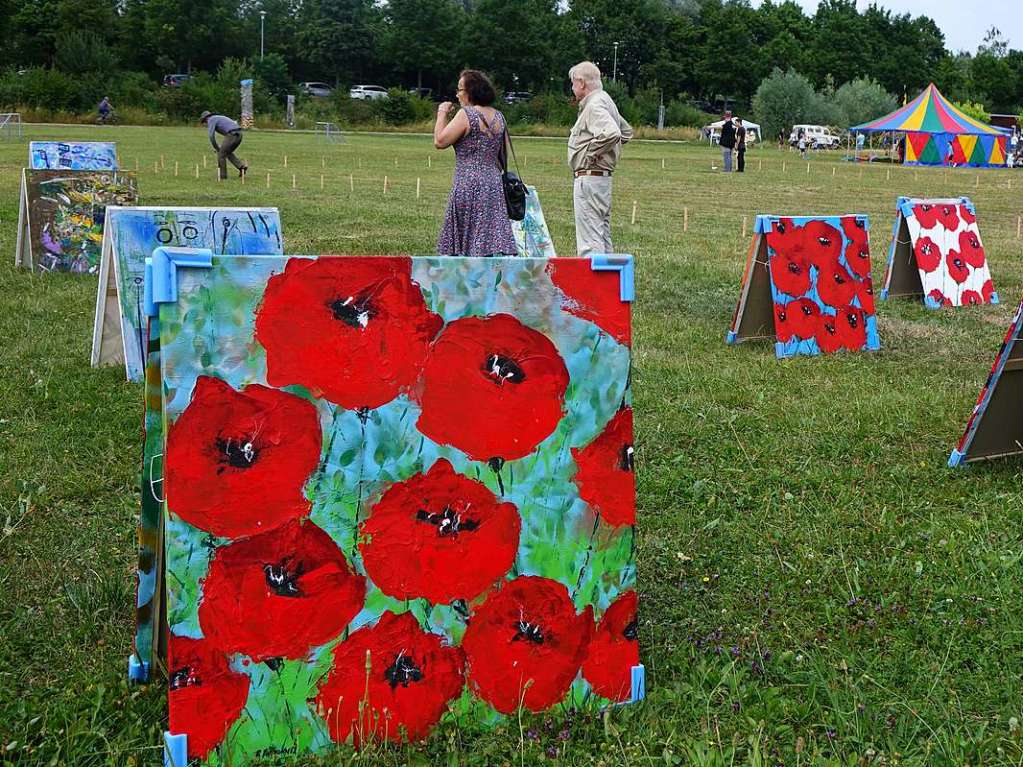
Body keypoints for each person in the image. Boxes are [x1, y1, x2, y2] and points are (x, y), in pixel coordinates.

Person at [434, 69, 517, 257]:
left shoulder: (466, 115)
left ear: (471, 91)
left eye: (460, 90)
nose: (457, 94)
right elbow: (502, 156)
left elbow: (440, 141)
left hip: (468, 184)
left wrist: (441, 113)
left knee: (466, 240)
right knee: (487, 240)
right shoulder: (499, 117)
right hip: (493, 184)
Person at [567, 61, 633, 257]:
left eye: (572, 83)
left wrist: (591, 154)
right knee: (601, 234)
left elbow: (612, 133)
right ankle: (609, 285)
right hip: (601, 178)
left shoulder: (594, 105)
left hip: (590, 176)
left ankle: (592, 286)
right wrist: (609, 154)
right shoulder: (605, 100)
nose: (572, 88)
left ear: (581, 83)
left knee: (590, 240)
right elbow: (626, 132)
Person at [199, 110, 248, 180]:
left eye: (204, 122)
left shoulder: (211, 119)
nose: (206, 124)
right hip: (239, 134)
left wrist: (216, 148)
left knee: (221, 154)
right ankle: (241, 167)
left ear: (206, 118)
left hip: (232, 134)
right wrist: (219, 147)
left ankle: (222, 176)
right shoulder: (218, 117)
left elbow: (211, 136)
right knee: (226, 152)